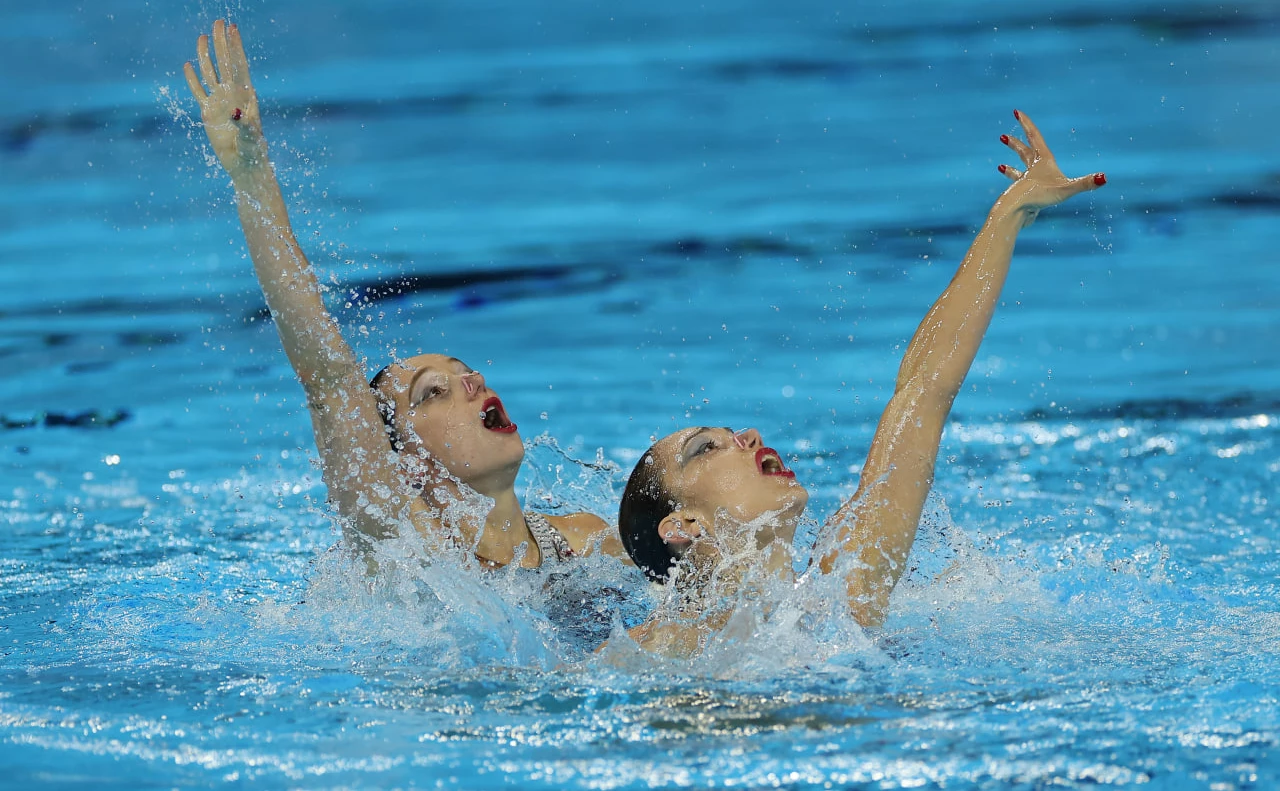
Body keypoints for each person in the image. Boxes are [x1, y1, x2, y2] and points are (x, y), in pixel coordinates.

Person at [615, 111, 1106, 657]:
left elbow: (924, 389)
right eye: (706, 447)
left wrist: (1010, 211)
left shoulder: (837, 595)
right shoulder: (645, 653)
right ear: (683, 525)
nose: (748, 434)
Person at [182, 20, 620, 568]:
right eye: (433, 392)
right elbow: (329, 377)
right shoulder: (401, 545)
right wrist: (251, 171)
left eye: (461, 373)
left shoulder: (587, 540)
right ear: (406, 463)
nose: (472, 380)